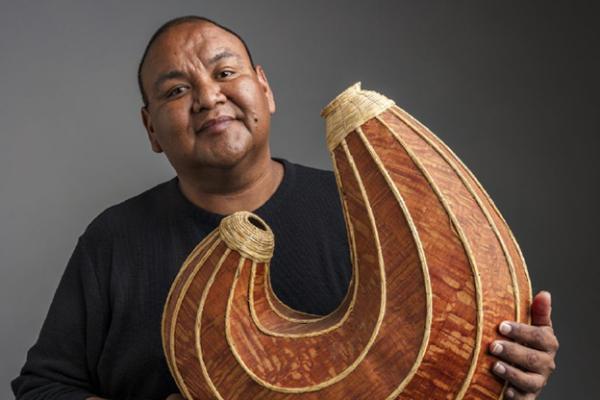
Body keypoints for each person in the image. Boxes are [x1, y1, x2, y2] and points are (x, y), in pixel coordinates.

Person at [12, 16, 558, 400]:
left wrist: (502, 371)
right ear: (151, 128)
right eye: (177, 91)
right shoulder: (112, 240)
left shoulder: (367, 212)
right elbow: (41, 388)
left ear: (265, 90)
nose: (208, 97)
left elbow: (437, 367)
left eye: (225, 73)